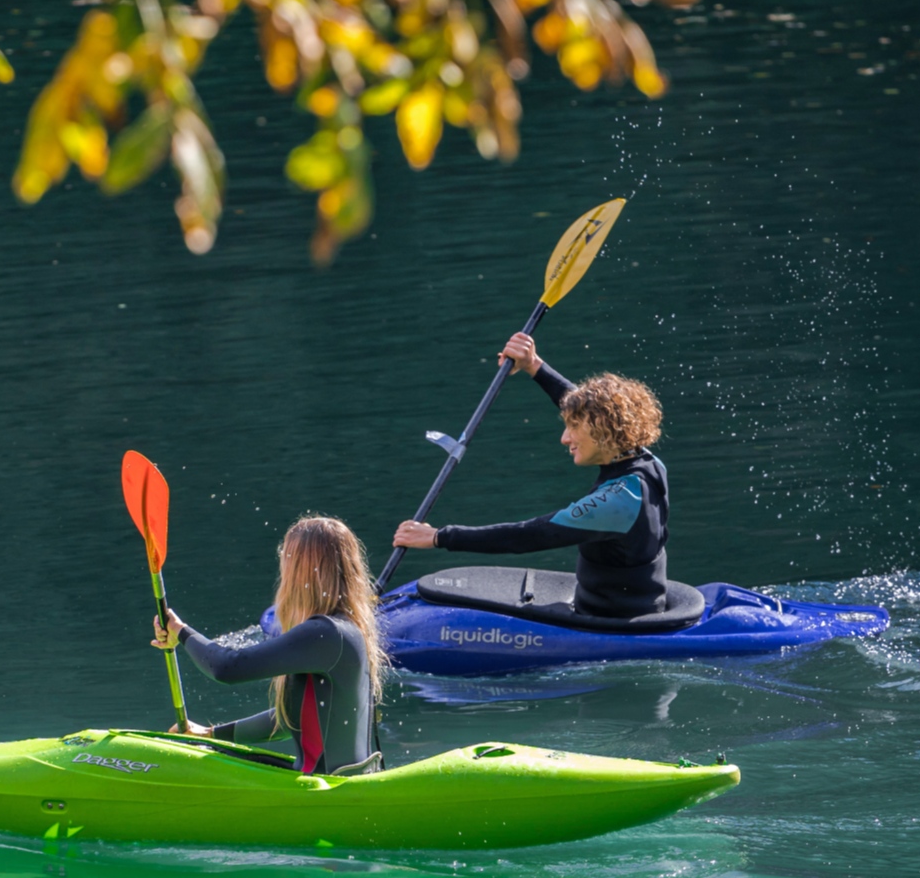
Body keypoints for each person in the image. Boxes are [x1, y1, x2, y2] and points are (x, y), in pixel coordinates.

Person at [392, 332, 670, 618]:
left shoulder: (616, 502)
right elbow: (586, 406)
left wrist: (439, 537)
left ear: (603, 432)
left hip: (611, 620)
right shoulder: (645, 458)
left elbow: (528, 535)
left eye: (573, 427)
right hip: (635, 602)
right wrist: (533, 365)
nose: (564, 438)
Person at [151, 516, 388, 775]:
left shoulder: (326, 633)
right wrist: (211, 734)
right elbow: (290, 719)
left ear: (303, 571)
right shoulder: (345, 630)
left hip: (328, 792)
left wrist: (180, 632)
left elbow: (228, 667)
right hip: (329, 782)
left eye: (287, 560)